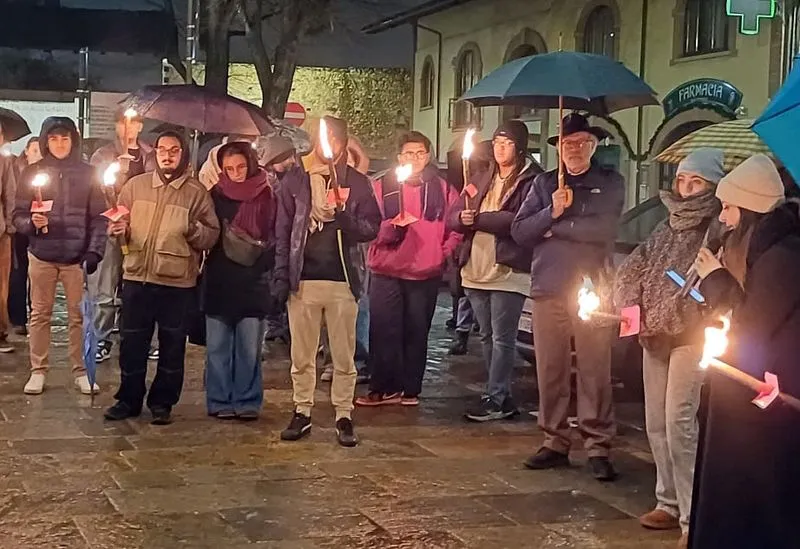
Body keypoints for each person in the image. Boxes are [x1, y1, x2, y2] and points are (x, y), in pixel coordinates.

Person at [689, 154, 800, 549]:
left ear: (752, 209)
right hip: (743, 397)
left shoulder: (783, 257)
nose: (723, 218)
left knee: (755, 505)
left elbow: (753, 329)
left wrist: (717, 281)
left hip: (761, 405)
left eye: (729, 207)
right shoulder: (761, 252)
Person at [615, 149, 725, 545]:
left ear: (712, 184)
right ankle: (668, 502)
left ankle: (694, 516)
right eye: (681, 180)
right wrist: (630, 307)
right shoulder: (665, 225)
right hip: (654, 334)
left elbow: (712, 282)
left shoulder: (716, 227)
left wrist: (692, 299)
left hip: (690, 336)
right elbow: (634, 266)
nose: (686, 188)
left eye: (695, 182)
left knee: (680, 421)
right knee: (656, 421)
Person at [511, 113, 624, 481]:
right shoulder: (544, 184)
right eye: (567, 143)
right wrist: (551, 211)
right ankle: (554, 439)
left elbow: (603, 228)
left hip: (592, 288)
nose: (574, 149)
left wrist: (559, 226)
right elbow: (521, 231)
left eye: (581, 142)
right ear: (558, 148)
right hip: (549, 287)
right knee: (551, 369)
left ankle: (598, 444)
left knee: (594, 369)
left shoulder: (609, 182)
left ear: (593, 146)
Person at [273, 115, 380, 447]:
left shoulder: (358, 183)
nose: (327, 146)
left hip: (342, 280)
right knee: (302, 354)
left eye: (334, 140)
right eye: (323, 140)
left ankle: (343, 414)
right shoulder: (296, 179)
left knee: (344, 354)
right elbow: (282, 231)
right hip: (303, 280)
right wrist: (280, 274)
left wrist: (346, 217)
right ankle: (302, 409)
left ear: (343, 144)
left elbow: (371, 228)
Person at [103, 131, 219, 425]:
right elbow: (121, 224)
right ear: (154, 153)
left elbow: (211, 235)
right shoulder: (135, 186)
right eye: (162, 150)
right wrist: (119, 231)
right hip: (137, 276)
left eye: (174, 150)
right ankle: (128, 399)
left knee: (172, 345)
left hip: (177, 283)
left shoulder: (196, 192)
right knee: (132, 344)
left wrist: (192, 229)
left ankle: (162, 402)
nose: (168, 155)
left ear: (183, 154)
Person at [354, 130, 461, 407]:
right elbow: (367, 226)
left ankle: (410, 388)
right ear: (400, 157)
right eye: (409, 153)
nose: (415, 158)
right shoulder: (382, 187)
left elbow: (456, 226)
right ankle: (382, 387)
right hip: (386, 269)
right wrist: (390, 229)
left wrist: (443, 251)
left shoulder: (443, 188)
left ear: (428, 156)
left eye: (420, 153)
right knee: (383, 330)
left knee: (416, 331)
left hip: (425, 270)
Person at [448, 121, 540, 421]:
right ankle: (497, 392)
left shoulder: (532, 181)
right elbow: (454, 215)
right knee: (486, 335)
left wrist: (479, 219)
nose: (501, 147)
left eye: (508, 142)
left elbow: (517, 222)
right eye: (498, 141)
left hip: (507, 269)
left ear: (520, 146)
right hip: (476, 266)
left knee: (503, 337)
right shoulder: (481, 176)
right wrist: (462, 219)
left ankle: (497, 396)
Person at [12, 117, 107, 395]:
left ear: (73, 140)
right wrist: (32, 224)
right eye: (53, 139)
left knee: (78, 316)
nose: (59, 144)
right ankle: (38, 369)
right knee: (40, 314)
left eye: (65, 138)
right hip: (42, 254)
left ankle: (80, 370)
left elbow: (99, 217)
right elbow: (17, 214)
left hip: (76, 257)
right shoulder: (33, 172)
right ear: (45, 141)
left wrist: (94, 251)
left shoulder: (88, 173)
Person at [204, 141, 275, 420]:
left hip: (253, 280)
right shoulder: (214, 195)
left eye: (241, 166)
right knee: (218, 347)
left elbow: (275, 233)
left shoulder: (267, 195)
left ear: (251, 164)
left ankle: (247, 400)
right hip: (220, 279)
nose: (235, 173)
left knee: (249, 349)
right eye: (229, 168)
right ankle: (219, 399)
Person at [89, 109, 155, 363]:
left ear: (139, 127)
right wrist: (118, 177)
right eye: (124, 123)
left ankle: (141, 337)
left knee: (140, 288)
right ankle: (101, 337)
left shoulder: (150, 154)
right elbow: (96, 190)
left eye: (135, 123)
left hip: (141, 229)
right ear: (117, 126)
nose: (129, 128)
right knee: (106, 288)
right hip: (112, 229)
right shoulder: (103, 155)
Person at [9, 137, 41, 336]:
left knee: (36, 274)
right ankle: (18, 318)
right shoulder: (17, 171)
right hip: (19, 227)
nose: (38, 155)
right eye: (35, 150)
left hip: (39, 226)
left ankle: (35, 312)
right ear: (27, 151)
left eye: (41, 151)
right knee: (19, 272)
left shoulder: (46, 173)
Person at [0, 123, 18, 354]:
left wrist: (10, 227)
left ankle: (1, 331)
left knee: (1, 285)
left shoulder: (4, 162)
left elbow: (10, 193)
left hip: (1, 231)